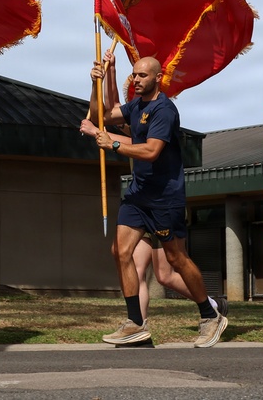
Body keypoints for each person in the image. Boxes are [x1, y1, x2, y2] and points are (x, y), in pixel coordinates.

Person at [83, 50, 227, 348]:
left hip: (165, 198)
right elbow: (105, 114)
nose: (136, 79)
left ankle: (210, 314)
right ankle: (136, 322)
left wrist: (112, 143)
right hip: (138, 195)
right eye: (134, 74)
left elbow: (150, 151)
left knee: (176, 259)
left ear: (158, 78)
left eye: (142, 75)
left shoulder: (164, 110)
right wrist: (102, 78)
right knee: (120, 252)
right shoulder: (137, 106)